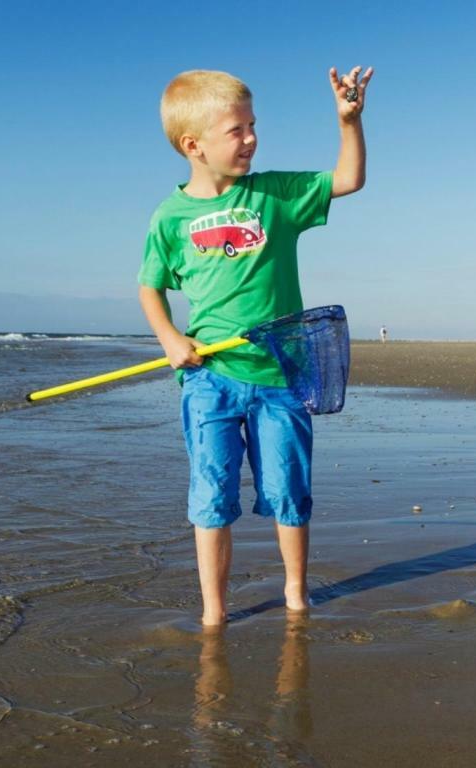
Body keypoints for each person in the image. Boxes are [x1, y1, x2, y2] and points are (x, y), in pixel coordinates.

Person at [138, 66, 373, 624]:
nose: (251, 138)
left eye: (252, 125)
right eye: (236, 130)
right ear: (193, 145)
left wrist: (350, 122)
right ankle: (214, 611)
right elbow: (150, 286)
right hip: (209, 380)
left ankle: (296, 592)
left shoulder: (275, 193)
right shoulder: (170, 217)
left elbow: (348, 179)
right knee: (212, 498)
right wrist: (171, 338)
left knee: (290, 490)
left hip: (281, 375)